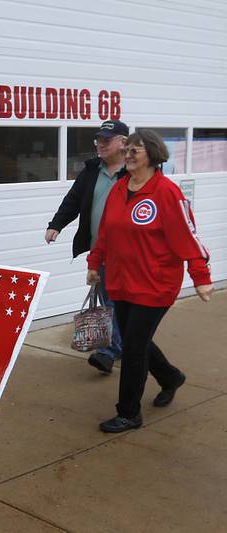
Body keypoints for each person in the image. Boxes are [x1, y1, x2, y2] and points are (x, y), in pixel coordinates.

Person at [86, 129, 214, 433]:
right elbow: (105, 232)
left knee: (132, 348)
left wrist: (201, 276)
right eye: (126, 149)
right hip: (121, 282)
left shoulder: (167, 193)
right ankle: (170, 377)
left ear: (153, 155)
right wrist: (94, 263)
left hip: (155, 285)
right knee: (135, 340)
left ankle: (129, 413)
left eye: (135, 150)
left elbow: (188, 236)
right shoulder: (120, 189)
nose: (128, 155)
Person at [46, 120, 128, 374]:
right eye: (98, 140)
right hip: (99, 250)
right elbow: (73, 199)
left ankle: (109, 351)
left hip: (128, 253)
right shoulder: (92, 170)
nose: (100, 144)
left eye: (107, 140)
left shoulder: (136, 172)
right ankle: (121, 344)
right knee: (109, 301)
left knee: (116, 303)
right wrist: (56, 224)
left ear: (123, 142)